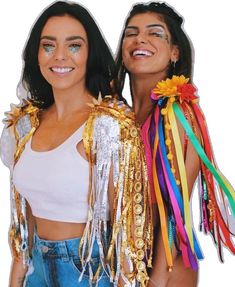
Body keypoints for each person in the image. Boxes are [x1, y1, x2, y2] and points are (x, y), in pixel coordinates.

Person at [0, 1, 152, 286]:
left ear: (89, 54)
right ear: (36, 54)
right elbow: (25, 215)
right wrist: (17, 275)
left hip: (89, 271)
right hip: (36, 269)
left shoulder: (109, 127)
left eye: (73, 46)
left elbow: (128, 234)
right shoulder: (24, 125)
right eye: (48, 45)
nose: (59, 56)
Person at [116, 2, 235, 286]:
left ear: (174, 52)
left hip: (163, 267)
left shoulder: (176, 113)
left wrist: (154, 280)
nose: (139, 39)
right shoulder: (119, 117)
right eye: (130, 33)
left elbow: (174, 211)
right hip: (123, 261)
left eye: (155, 33)